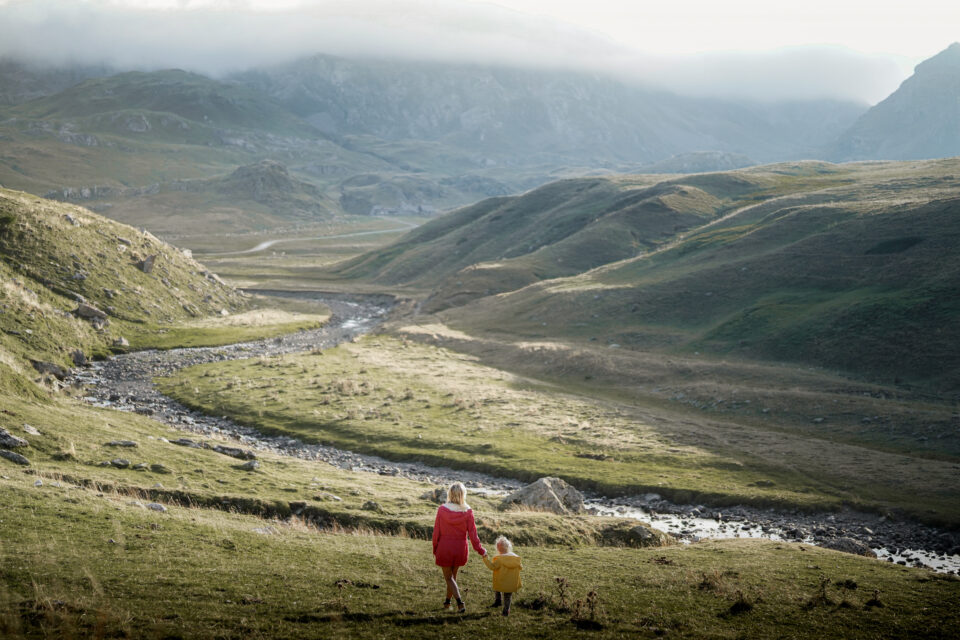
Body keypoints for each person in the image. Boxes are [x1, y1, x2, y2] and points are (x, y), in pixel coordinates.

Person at [432, 482, 486, 613]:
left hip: (445, 546)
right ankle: (447, 602)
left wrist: (435, 548)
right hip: (460, 548)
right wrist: (480, 550)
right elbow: (473, 535)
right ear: (463, 495)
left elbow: (436, 532)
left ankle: (460, 603)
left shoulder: (442, 510)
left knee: (448, 577)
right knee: (452, 577)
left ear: (450, 493)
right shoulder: (468, 511)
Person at [481, 535, 523, 616]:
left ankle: (498, 601)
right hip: (511, 581)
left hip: (501, 580)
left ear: (498, 548)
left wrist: (485, 559)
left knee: (498, 588)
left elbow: (492, 567)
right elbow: (520, 567)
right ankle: (506, 610)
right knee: (507, 596)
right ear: (508, 547)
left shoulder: (500, 559)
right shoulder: (516, 558)